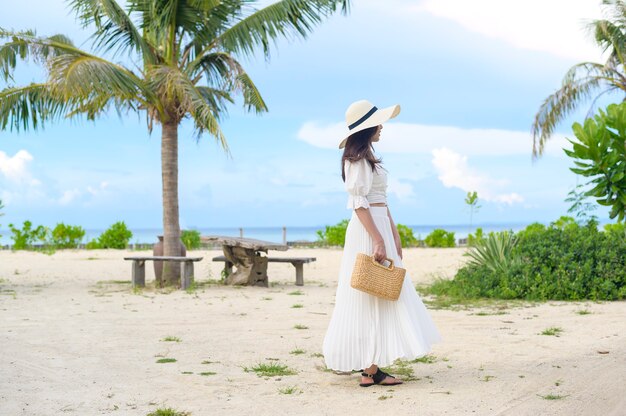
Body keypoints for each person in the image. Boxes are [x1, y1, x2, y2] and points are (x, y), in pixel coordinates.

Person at [322, 99, 441, 387]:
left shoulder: (368, 156)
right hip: (367, 230)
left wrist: (393, 234)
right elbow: (359, 203)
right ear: (368, 128)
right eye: (378, 123)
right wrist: (377, 238)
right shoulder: (357, 159)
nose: (382, 127)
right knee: (368, 293)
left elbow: (379, 201)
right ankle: (369, 369)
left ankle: (371, 369)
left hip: (378, 226)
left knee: (380, 293)